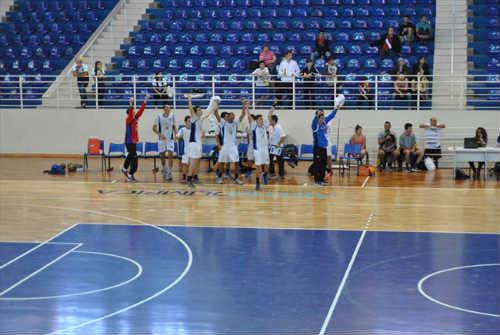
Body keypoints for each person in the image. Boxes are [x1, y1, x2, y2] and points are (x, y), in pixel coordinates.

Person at [186, 94, 218, 187]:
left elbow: (209, 112)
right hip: (194, 144)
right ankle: (189, 179)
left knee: (197, 162)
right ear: (196, 112)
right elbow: (190, 108)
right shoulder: (194, 118)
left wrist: (214, 105)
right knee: (193, 162)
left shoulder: (200, 118)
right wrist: (189, 99)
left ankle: (194, 177)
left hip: (198, 143)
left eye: (201, 109)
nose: (201, 111)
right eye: (199, 110)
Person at [214, 100, 247, 185]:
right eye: (231, 116)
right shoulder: (222, 123)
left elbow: (243, 115)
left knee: (236, 163)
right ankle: (219, 177)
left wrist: (244, 105)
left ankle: (236, 178)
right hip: (224, 146)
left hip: (233, 146)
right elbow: (216, 113)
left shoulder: (235, 123)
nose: (233, 118)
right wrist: (216, 104)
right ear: (227, 117)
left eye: (233, 116)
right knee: (221, 162)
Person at [122, 95, 150, 182]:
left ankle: (124, 168)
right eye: (133, 112)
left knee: (131, 156)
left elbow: (141, 111)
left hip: (133, 142)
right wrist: (130, 103)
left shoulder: (135, 118)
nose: (134, 112)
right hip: (129, 141)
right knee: (134, 158)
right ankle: (130, 175)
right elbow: (131, 112)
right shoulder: (129, 119)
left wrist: (145, 100)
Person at [311, 107, 339, 186]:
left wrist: (336, 109)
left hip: (324, 148)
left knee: (323, 164)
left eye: (323, 118)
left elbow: (331, 116)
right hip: (317, 148)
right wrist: (318, 113)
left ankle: (322, 179)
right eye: (321, 118)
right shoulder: (314, 126)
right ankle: (317, 181)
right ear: (318, 118)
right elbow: (315, 119)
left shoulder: (324, 123)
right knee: (317, 165)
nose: (323, 119)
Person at [248, 108, 274, 190]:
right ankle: (258, 182)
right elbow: (249, 117)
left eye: (262, 119)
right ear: (256, 120)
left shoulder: (264, 126)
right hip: (257, 150)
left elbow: (269, 116)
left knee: (267, 166)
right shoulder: (253, 126)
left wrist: (273, 107)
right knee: (258, 168)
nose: (262, 120)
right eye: (260, 119)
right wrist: (246, 107)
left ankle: (265, 175)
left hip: (265, 149)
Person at [152, 104, 176, 181]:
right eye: (167, 107)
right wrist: (160, 134)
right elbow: (154, 128)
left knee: (170, 154)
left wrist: (176, 134)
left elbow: (174, 126)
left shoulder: (172, 116)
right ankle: (164, 169)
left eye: (169, 107)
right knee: (162, 156)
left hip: (170, 139)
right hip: (162, 139)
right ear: (164, 109)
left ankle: (169, 172)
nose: (168, 109)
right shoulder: (159, 116)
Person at [268, 107, 286, 179]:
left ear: (274, 121)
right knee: (270, 160)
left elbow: (283, 137)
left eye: (271, 120)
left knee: (280, 161)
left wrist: (278, 144)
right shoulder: (270, 127)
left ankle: (281, 175)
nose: (269, 121)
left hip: (278, 147)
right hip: (272, 147)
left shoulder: (279, 127)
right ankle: (272, 173)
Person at [176, 116, 191, 183]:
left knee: (192, 164)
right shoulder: (182, 129)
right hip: (186, 149)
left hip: (193, 149)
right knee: (185, 163)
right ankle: (184, 176)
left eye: (190, 121)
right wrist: (179, 136)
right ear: (185, 122)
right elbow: (177, 136)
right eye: (188, 121)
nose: (190, 123)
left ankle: (192, 176)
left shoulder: (194, 129)